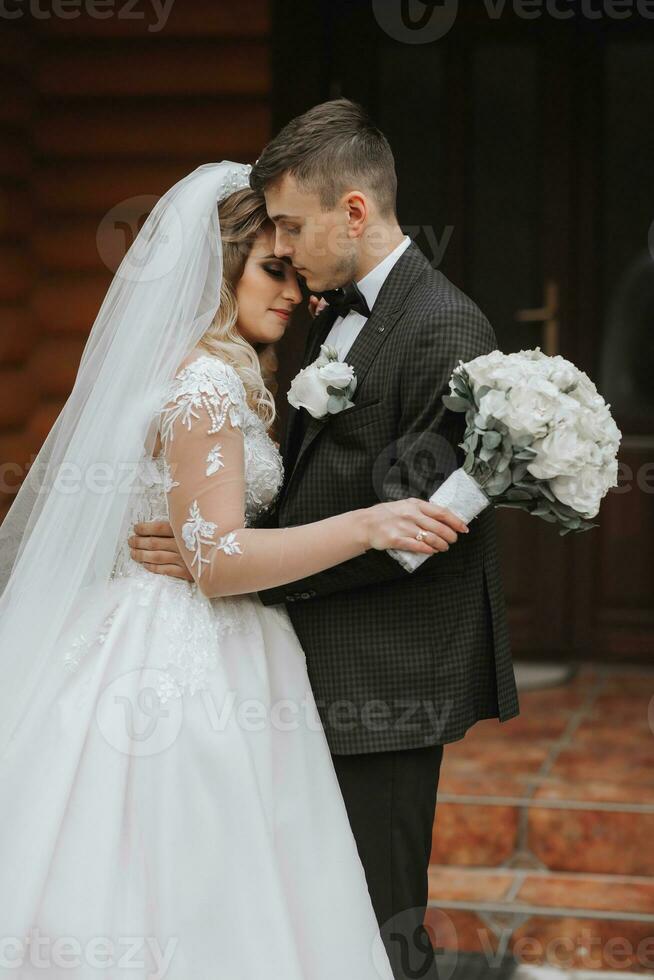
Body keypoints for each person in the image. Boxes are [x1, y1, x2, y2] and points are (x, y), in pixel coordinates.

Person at [0, 161, 464, 979]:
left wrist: (209, 543)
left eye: (295, 270)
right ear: (221, 273)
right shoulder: (209, 384)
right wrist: (365, 522)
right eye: (270, 270)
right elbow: (216, 562)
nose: (293, 292)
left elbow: (205, 537)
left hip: (214, 633)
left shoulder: (221, 371)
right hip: (186, 653)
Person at [130, 101, 520, 978]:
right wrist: (215, 545)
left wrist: (227, 567)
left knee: (379, 921)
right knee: (309, 910)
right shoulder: (329, 315)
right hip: (304, 659)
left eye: (294, 230)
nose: (291, 260)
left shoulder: (444, 330)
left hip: (385, 675)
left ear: (352, 211)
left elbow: (412, 535)